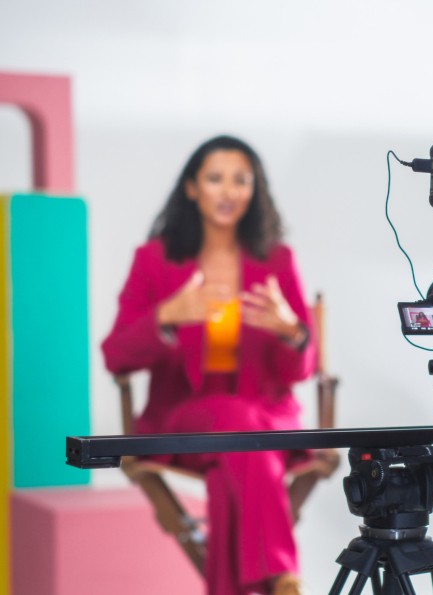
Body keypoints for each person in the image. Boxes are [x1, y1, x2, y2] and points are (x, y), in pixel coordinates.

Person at [102, 135, 321, 595]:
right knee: (235, 424)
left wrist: (291, 331)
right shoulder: (154, 261)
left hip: (265, 420)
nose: (228, 191)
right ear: (192, 188)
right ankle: (282, 575)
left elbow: (300, 371)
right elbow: (115, 353)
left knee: (231, 470)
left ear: (255, 190)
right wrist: (166, 317)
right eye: (215, 178)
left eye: (240, 180)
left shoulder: (278, 260)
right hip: (182, 417)